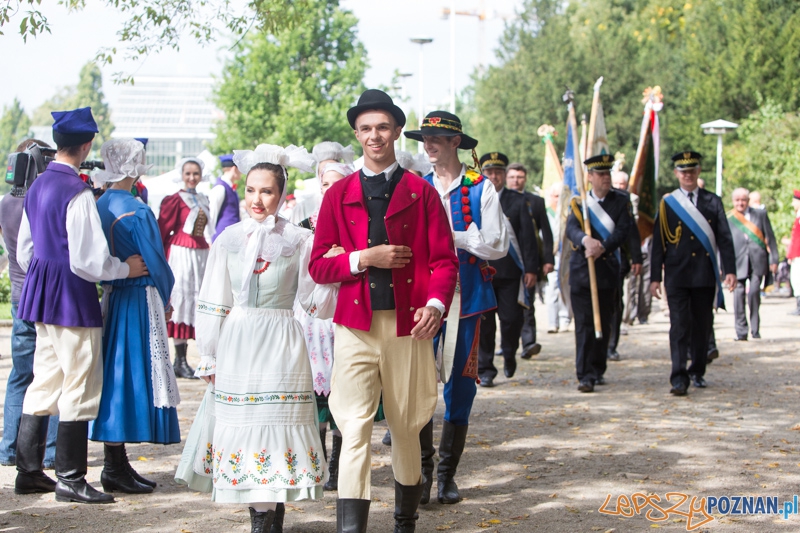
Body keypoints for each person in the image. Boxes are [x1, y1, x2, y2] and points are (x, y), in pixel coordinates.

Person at [310, 90, 458, 532]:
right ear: (356, 135)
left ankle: (404, 522)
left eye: (382, 127)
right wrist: (362, 258)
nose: (374, 136)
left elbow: (444, 261)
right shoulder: (337, 195)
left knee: (407, 425)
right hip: (354, 327)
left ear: (395, 131)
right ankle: (351, 528)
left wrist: (435, 304)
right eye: (365, 129)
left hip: (408, 327)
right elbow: (318, 265)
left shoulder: (421, 192)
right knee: (352, 427)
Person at [178, 144, 337, 533]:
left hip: (282, 342)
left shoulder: (300, 240)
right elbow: (214, 299)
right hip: (239, 342)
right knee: (246, 433)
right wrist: (209, 355)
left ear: (281, 195)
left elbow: (314, 301)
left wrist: (334, 268)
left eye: (266, 191)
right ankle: (261, 525)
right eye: (250, 190)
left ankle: (270, 524)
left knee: (277, 432)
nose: (257, 199)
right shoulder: (228, 239)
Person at [14, 107, 148, 503]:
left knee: (44, 381)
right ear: (87, 144)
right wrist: (125, 268)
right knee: (80, 383)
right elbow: (88, 261)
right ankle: (70, 478)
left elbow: (25, 250)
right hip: (72, 296)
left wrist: (46, 272)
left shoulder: (36, 185)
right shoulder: (77, 192)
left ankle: (29, 472)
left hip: (41, 293)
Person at [405, 112, 507, 506]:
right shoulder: (417, 186)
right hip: (422, 300)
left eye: (436, 138)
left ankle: (447, 474)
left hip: (466, 300)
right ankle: (424, 473)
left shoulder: (480, 187)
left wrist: (456, 237)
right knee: (417, 383)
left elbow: (497, 244)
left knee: (460, 385)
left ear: (455, 143)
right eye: (425, 137)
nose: (428, 143)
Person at [88, 139, 180, 494]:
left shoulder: (99, 204)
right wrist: (166, 293)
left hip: (113, 296)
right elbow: (155, 260)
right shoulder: (136, 209)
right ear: (134, 165)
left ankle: (117, 462)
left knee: (116, 375)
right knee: (130, 375)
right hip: (139, 298)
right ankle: (114, 466)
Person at [650, 151, 736, 395]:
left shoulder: (713, 201)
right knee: (678, 325)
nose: (687, 175)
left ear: (698, 171)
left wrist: (729, 270)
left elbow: (725, 239)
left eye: (692, 170)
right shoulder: (668, 203)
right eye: (683, 171)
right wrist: (655, 277)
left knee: (702, 325)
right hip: (677, 274)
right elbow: (659, 243)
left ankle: (697, 370)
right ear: (676, 173)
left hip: (703, 275)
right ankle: (678, 377)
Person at [296, 158, 357, 495]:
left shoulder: (356, 223)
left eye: (337, 183)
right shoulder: (305, 224)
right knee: (316, 392)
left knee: (343, 389)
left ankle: (338, 465)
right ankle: (317, 462)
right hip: (313, 315)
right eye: (325, 184)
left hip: (344, 312)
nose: (330, 189)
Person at [0, 139, 59, 469]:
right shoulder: (42, 201)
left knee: (20, 377)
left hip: (19, 300)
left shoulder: (5, 202)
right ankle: (50, 453)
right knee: (52, 375)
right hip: (44, 300)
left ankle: (9, 449)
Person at [566, 155, 633, 393]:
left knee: (604, 323)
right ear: (590, 177)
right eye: (600, 174)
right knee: (584, 324)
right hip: (582, 273)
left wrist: (602, 246)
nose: (605, 178)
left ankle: (597, 368)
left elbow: (625, 230)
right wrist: (586, 240)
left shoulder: (621, 201)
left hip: (607, 271)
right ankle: (585, 374)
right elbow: (571, 229)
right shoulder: (579, 202)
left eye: (608, 174)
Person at [476, 153, 537, 386]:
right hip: (484, 270)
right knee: (485, 322)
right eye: (489, 172)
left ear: (504, 174)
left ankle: (510, 353)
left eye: (498, 173)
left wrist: (531, 269)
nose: (494, 177)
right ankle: (486, 369)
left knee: (511, 319)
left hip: (511, 272)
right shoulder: (475, 197)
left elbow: (528, 239)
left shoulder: (518, 200)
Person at [157, 157, 212, 379]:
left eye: (195, 174)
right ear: (181, 174)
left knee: (195, 301)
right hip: (181, 254)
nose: (191, 178)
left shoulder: (203, 198)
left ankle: (184, 359)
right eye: (188, 173)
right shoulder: (174, 200)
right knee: (181, 300)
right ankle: (178, 359)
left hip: (199, 254)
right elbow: (163, 229)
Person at [505, 162, 554, 357]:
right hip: (504, 264)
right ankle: (509, 344)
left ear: (525, 179)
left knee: (527, 302)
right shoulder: (495, 199)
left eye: (519, 177)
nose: (516, 181)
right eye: (512, 177)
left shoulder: (535, 202)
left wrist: (548, 259)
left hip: (528, 262)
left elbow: (546, 233)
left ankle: (528, 342)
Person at [728, 187, 778, 339]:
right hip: (738, 261)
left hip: (758, 260)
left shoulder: (760, 215)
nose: (740, 203)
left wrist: (774, 258)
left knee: (754, 293)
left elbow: (771, 237)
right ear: (733, 201)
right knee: (738, 294)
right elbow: (723, 243)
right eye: (737, 200)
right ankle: (741, 331)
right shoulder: (729, 218)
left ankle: (755, 329)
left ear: (748, 201)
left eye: (743, 200)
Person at [606, 167, 643, 361]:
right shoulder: (588, 200)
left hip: (617, 260)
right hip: (593, 261)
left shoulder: (622, 200)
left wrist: (636, 257)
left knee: (615, 301)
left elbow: (631, 231)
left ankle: (611, 345)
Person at [543, 181, 571, 332]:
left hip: (566, 256)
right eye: (555, 196)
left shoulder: (568, 213)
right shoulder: (546, 212)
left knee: (565, 286)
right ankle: (552, 322)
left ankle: (565, 318)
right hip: (552, 256)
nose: (557, 199)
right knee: (552, 288)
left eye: (560, 196)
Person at [209, 154, 242, 241]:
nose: (241, 172)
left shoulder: (230, 187)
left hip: (231, 238)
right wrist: (209, 239)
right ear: (234, 168)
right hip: (221, 238)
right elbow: (212, 214)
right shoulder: (220, 188)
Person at [787, 190, 800, 315]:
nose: (792, 204)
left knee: (798, 280)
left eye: (794, 201)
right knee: (796, 280)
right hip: (796, 254)